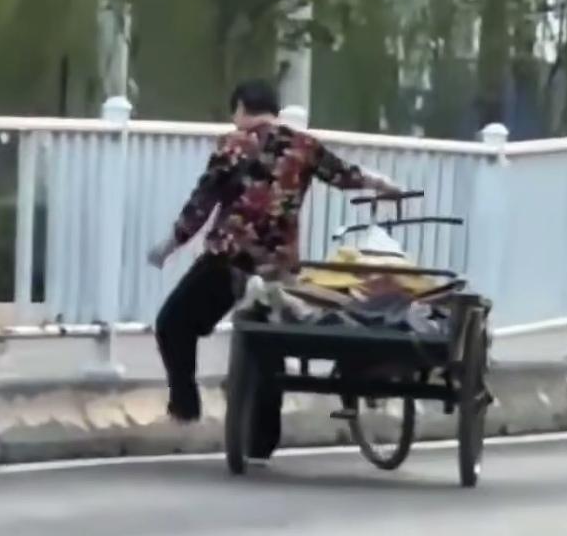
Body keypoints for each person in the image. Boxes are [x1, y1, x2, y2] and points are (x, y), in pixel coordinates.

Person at [147, 80, 401, 427]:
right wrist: (383, 185)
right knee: (268, 344)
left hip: (230, 261)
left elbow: (202, 203)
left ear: (240, 109)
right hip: (278, 269)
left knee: (172, 324)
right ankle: (261, 438)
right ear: (275, 110)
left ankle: (185, 407)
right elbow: (344, 175)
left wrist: (169, 245)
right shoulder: (304, 146)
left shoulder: (234, 146)